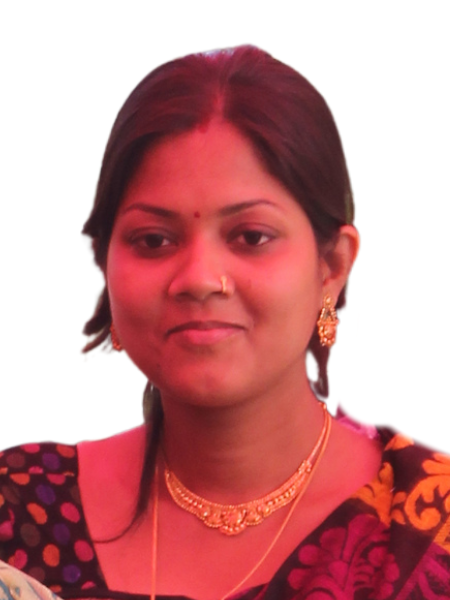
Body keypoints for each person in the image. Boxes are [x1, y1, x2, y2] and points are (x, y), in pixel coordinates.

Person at [1, 45, 450, 600]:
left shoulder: (427, 535)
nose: (198, 278)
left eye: (251, 237)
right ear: (106, 264)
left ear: (332, 266)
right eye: (153, 240)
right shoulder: (17, 513)